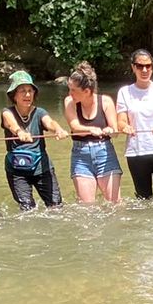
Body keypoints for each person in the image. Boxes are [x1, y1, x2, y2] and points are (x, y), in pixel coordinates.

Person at [0, 70, 67, 210]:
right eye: (22, 91)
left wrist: (58, 129)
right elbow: (12, 125)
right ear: (14, 95)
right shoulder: (7, 112)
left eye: (30, 91)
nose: (28, 95)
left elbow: (50, 122)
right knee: (27, 210)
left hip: (41, 167)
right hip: (17, 170)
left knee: (56, 207)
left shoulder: (40, 112)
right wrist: (20, 132)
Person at [116, 50, 153, 199]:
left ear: (152, 67)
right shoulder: (124, 92)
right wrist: (126, 127)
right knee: (143, 198)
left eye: (148, 66)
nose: (144, 70)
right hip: (136, 152)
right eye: (140, 66)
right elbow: (120, 121)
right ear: (133, 67)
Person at [61, 63, 122, 204]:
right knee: (87, 208)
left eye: (73, 90)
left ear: (87, 91)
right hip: (80, 155)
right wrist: (91, 129)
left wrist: (110, 130)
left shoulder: (105, 101)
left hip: (105, 153)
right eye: (69, 89)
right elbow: (74, 127)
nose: (70, 93)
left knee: (115, 204)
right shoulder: (69, 101)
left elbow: (115, 130)